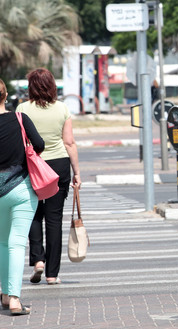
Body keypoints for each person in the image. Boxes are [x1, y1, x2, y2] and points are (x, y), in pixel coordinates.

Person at [16, 68, 81, 285]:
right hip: (59, 166)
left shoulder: (22, 109)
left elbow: (20, 141)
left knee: (33, 213)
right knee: (54, 219)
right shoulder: (62, 108)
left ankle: (38, 260)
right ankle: (52, 274)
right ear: (52, 85)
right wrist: (77, 173)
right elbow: (69, 142)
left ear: (31, 86)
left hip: (33, 165)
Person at [0, 79, 45, 315]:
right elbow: (39, 145)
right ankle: (15, 299)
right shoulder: (19, 118)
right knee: (17, 243)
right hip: (21, 189)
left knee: (2, 243)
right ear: (5, 95)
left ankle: (5, 295)